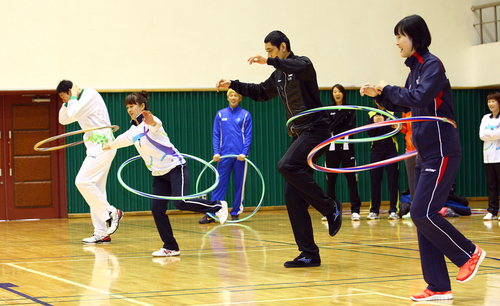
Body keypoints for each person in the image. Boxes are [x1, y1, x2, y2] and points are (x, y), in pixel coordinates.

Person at [360, 14, 486, 302]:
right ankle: (439, 286)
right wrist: (378, 96)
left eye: (400, 35)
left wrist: (388, 87)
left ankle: (469, 252)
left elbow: (417, 97)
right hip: (424, 153)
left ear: (415, 36)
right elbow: (405, 103)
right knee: (421, 217)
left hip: (442, 150)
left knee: (422, 212)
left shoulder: (432, 65)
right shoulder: (414, 70)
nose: (397, 41)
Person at [216, 30, 342, 268]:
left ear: (283, 47)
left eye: (271, 51)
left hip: (316, 129)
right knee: (292, 195)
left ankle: (329, 207)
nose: (268, 56)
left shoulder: (303, 66)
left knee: (285, 165)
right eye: (266, 53)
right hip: (299, 134)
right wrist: (234, 84)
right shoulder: (279, 77)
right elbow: (260, 93)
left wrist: (271, 61)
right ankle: (309, 254)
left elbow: (296, 65)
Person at [104, 91, 228, 257]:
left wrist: (151, 120)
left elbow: (155, 123)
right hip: (159, 175)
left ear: (142, 106)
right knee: (157, 209)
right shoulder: (132, 131)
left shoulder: (151, 123)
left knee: (181, 202)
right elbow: (120, 141)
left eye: (132, 105)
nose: (129, 109)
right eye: (127, 107)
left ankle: (218, 205)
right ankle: (171, 246)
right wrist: (108, 146)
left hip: (177, 168)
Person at [57, 80, 123, 244]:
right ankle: (101, 233)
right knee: (96, 192)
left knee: (82, 182)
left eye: (63, 96)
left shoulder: (89, 94)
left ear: (70, 90)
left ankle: (111, 212)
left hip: (103, 146)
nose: (63, 101)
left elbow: (74, 114)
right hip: (95, 148)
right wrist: (68, 102)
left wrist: (71, 98)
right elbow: (63, 119)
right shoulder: (74, 102)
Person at [199, 89, 253, 223]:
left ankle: (235, 212)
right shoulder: (220, 114)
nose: (233, 97)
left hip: (240, 156)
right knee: (219, 185)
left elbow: (248, 135)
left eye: (236, 95)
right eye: (231, 95)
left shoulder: (246, 115)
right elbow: (216, 135)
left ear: (240, 98)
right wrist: (216, 152)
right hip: (223, 156)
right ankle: (212, 214)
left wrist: (244, 152)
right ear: (227, 98)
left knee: (239, 184)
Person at [324, 84, 362, 221]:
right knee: (331, 181)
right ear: (332, 94)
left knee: (351, 179)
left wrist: (336, 126)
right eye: (334, 91)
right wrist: (339, 123)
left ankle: (355, 210)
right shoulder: (328, 110)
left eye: (339, 91)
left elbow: (350, 127)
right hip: (331, 149)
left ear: (343, 93)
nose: (337, 93)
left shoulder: (350, 109)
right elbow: (328, 127)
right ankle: (330, 211)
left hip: (347, 149)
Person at [366, 101, 400, 220]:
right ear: (374, 101)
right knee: (375, 182)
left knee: (393, 181)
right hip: (376, 151)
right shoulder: (371, 114)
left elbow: (395, 131)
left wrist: (384, 123)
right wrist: (375, 124)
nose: (379, 101)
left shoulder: (392, 113)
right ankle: (374, 210)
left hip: (391, 150)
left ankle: (394, 210)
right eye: (376, 99)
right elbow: (370, 133)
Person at [479, 91, 500, 220]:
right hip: (488, 156)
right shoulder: (486, 118)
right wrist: (495, 132)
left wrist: (489, 132)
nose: (491, 104)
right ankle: (492, 211)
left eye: (493, 101)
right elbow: (482, 135)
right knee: (491, 185)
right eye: (489, 102)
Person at [398, 111, 417, 218]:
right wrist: (399, 127)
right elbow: (406, 130)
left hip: (421, 149)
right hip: (409, 150)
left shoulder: (421, 108)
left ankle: (426, 209)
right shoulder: (405, 112)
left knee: (423, 181)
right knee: (412, 182)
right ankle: (413, 209)